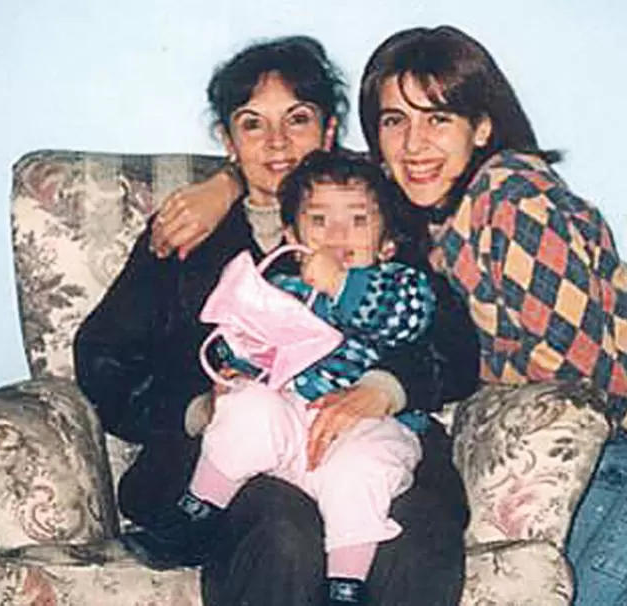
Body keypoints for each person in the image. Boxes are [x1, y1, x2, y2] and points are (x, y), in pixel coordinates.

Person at [153, 25, 627, 606]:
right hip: (608, 446)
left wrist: (399, 383)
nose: (414, 144)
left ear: (481, 127)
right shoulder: (418, 201)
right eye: (395, 121)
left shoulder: (514, 197)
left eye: (438, 119)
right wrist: (226, 183)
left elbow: (572, 367)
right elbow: (304, 173)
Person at [74, 35, 479, 606]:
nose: (278, 143)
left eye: (298, 119)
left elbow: (452, 344)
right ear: (227, 140)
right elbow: (103, 356)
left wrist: (383, 389)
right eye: (253, 125)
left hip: (369, 439)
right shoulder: (190, 228)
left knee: (414, 536)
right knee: (284, 530)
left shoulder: (371, 217)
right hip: (236, 452)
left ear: (329, 130)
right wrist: (199, 407)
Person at [150, 149, 455, 606]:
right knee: (247, 407)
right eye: (319, 221)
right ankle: (197, 513)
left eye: (357, 221)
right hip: (291, 423)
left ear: (387, 243)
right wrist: (238, 362)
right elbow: (244, 339)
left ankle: (345, 584)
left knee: (361, 473)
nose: (336, 236)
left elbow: (404, 321)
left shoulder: (401, 285)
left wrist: (341, 284)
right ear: (291, 236)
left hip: (366, 429)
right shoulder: (281, 289)